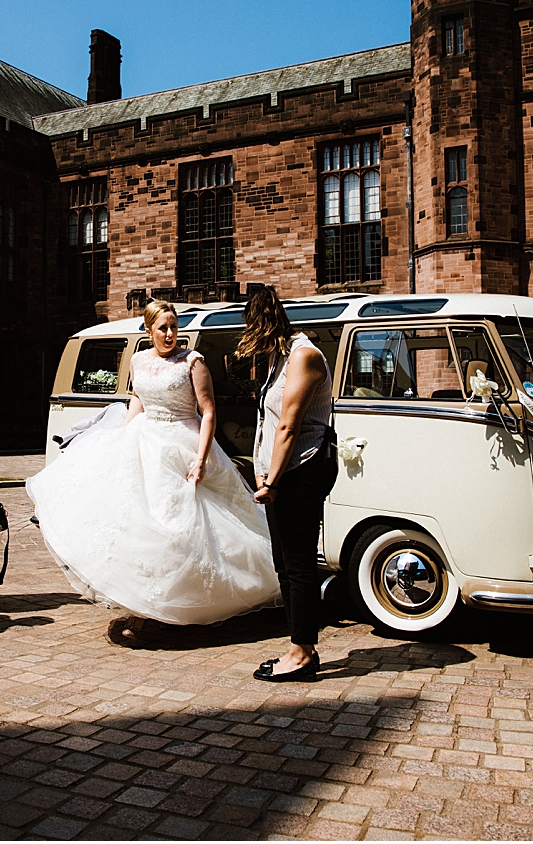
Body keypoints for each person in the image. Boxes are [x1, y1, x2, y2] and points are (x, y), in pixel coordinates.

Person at [26, 299, 279, 641]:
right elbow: (138, 400)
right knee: (139, 526)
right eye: (163, 328)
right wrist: (120, 437)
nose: (171, 333)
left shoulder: (193, 362)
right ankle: (145, 606)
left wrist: (201, 460)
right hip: (145, 442)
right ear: (149, 331)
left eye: (174, 327)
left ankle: (181, 604)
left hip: (183, 445)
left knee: (179, 528)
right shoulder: (138, 360)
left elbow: (208, 413)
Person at [245, 286, 337, 683]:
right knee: (285, 563)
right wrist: (258, 468)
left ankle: (303, 654)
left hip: (303, 469)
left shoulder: (304, 356)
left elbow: (289, 425)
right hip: (282, 471)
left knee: (298, 563)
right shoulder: (278, 359)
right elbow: (266, 422)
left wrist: (273, 479)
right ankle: (298, 645)